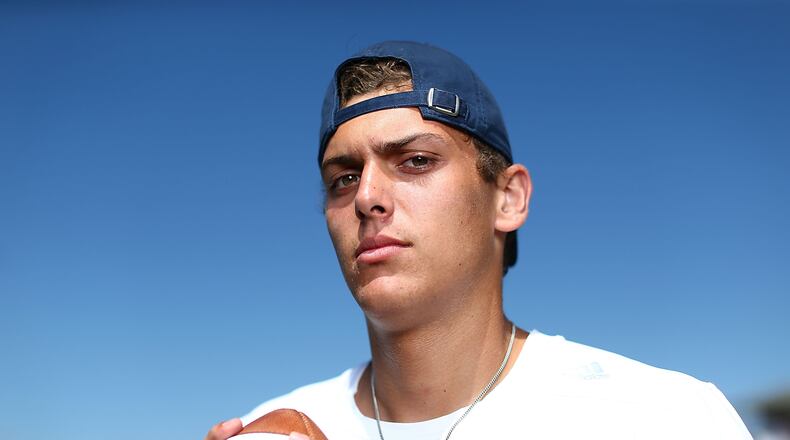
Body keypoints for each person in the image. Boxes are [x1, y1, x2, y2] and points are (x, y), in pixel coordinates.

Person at [206, 41, 752, 440]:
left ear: (508, 198)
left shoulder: (661, 418)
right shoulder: (274, 425)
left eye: (415, 161)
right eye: (342, 178)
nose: (368, 196)